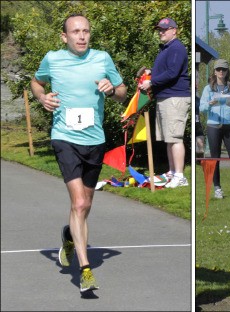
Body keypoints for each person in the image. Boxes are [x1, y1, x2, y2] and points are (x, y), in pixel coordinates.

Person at [31, 13, 127, 293]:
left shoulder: (102, 58)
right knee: (79, 204)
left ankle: (70, 236)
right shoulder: (53, 58)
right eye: (75, 32)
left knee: (86, 204)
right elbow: (37, 82)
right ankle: (85, 271)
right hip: (64, 138)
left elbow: (122, 91)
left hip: (94, 140)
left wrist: (112, 90)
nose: (82, 36)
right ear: (65, 37)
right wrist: (41, 97)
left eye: (86, 31)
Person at [138, 17, 191, 188]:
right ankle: (172, 171)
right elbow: (165, 70)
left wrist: (151, 82)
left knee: (175, 138)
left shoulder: (176, 48)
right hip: (166, 97)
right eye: (159, 29)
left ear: (174, 30)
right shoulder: (166, 49)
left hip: (175, 98)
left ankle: (180, 176)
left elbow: (172, 73)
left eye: (165, 29)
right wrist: (151, 72)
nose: (161, 32)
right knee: (169, 138)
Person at [199, 59, 230, 200]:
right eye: (218, 69)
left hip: (229, 125)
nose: (221, 72)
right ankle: (217, 188)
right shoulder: (208, 88)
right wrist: (210, 104)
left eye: (223, 70)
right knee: (215, 158)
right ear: (214, 71)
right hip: (213, 125)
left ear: (227, 71)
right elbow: (201, 108)